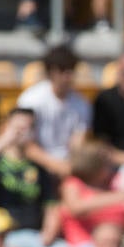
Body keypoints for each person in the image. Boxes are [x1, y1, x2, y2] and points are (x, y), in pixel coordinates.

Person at [0, 108, 70, 247]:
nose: (22, 133)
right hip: (2, 238)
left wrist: (49, 232)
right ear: (6, 127)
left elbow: (51, 203)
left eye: (28, 128)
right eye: (18, 128)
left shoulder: (38, 165)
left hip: (35, 238)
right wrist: (6, 139)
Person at [17, 43, 90, 180]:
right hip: (34, 166)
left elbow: (77, 143)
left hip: (67, 167)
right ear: (51, 72)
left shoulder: (82, 104)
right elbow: (26, 145)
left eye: (71, 69)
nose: (68, 75)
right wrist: (55, 165)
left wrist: (69, 166)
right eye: (63, 70)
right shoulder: (31, 100)